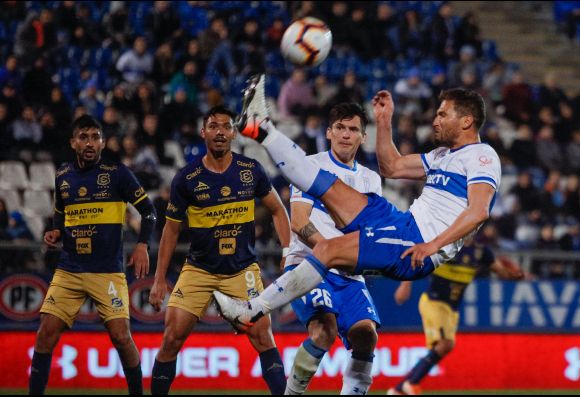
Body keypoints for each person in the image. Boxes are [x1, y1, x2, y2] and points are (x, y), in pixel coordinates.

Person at [213, 74, 501, 345]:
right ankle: (260, 127)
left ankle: (250, 312)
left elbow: (478, 211)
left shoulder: (482, 156)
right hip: (401, 222)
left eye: (442, 114)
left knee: (326, 251)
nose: (435, 120)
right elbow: (392, 167)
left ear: (466, 121)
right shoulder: (443, 155)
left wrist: (432, 246)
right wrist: (384, 121)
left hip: (417, 241)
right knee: (324, 183)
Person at [148, 106, 290, 395]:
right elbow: (171, 230)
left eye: (226, 127)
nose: (220, 132)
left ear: (234, 133)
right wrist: (160, 278)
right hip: (199, 270)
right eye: (213, 126)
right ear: (204, 132)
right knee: (172, 337)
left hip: (242, 270)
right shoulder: (187, 178)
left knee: (263, 336)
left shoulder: (250, 170)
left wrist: (288, 251)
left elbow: (278, 210)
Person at [31, 115, 157, 395]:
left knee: (121, 337)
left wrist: (142, 245)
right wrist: (56, 232)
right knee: (44, 336)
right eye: (84, 137)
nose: (90, 143)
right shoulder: (63, 176)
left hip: (107, 271)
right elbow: (60, 214)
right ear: (73, 142)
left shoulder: (118, 173)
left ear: (102, 142)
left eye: (95, 137)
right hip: (70, 269)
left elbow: (149, 211)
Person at [284, 103, 382, 395]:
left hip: (349, 273)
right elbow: (299, 221)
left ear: (363, 137)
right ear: (328, 132)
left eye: (353, 129)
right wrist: (331, 251)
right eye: (340, 127)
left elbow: (368, 232)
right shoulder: (309, 166)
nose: (346, 134)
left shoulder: (371, 180)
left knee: (366, 335)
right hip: (309, 263)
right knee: (323, 331)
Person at [387, 243, 523, 395]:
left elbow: (501, 272)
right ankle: (411, 383)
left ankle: (399, 389)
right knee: (445, 344)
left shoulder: (481, 251)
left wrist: (515, 275)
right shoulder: (446, 244)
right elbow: (417, 256)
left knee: (444, 347)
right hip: (434, 302)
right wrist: (405, 286)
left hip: (452, 308)